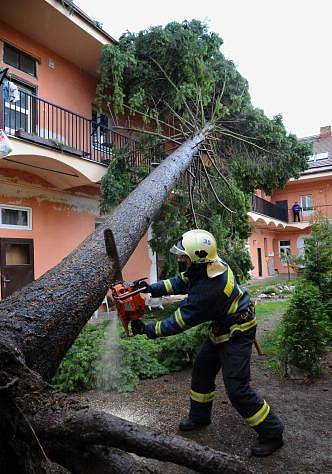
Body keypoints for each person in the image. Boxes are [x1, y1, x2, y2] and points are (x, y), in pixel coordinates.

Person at [133, 229, 284, 457]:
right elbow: (182, 281)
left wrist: (147, 329)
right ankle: (200, 417)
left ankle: (272, 433)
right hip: (222, 327)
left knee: (237, 389)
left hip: (238, 333)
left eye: (185, 256)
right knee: (202, 370)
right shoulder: (208, 265)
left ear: (198, 256)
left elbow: (178, 322)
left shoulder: (209, 290)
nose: (181, 259)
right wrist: (150, 288)